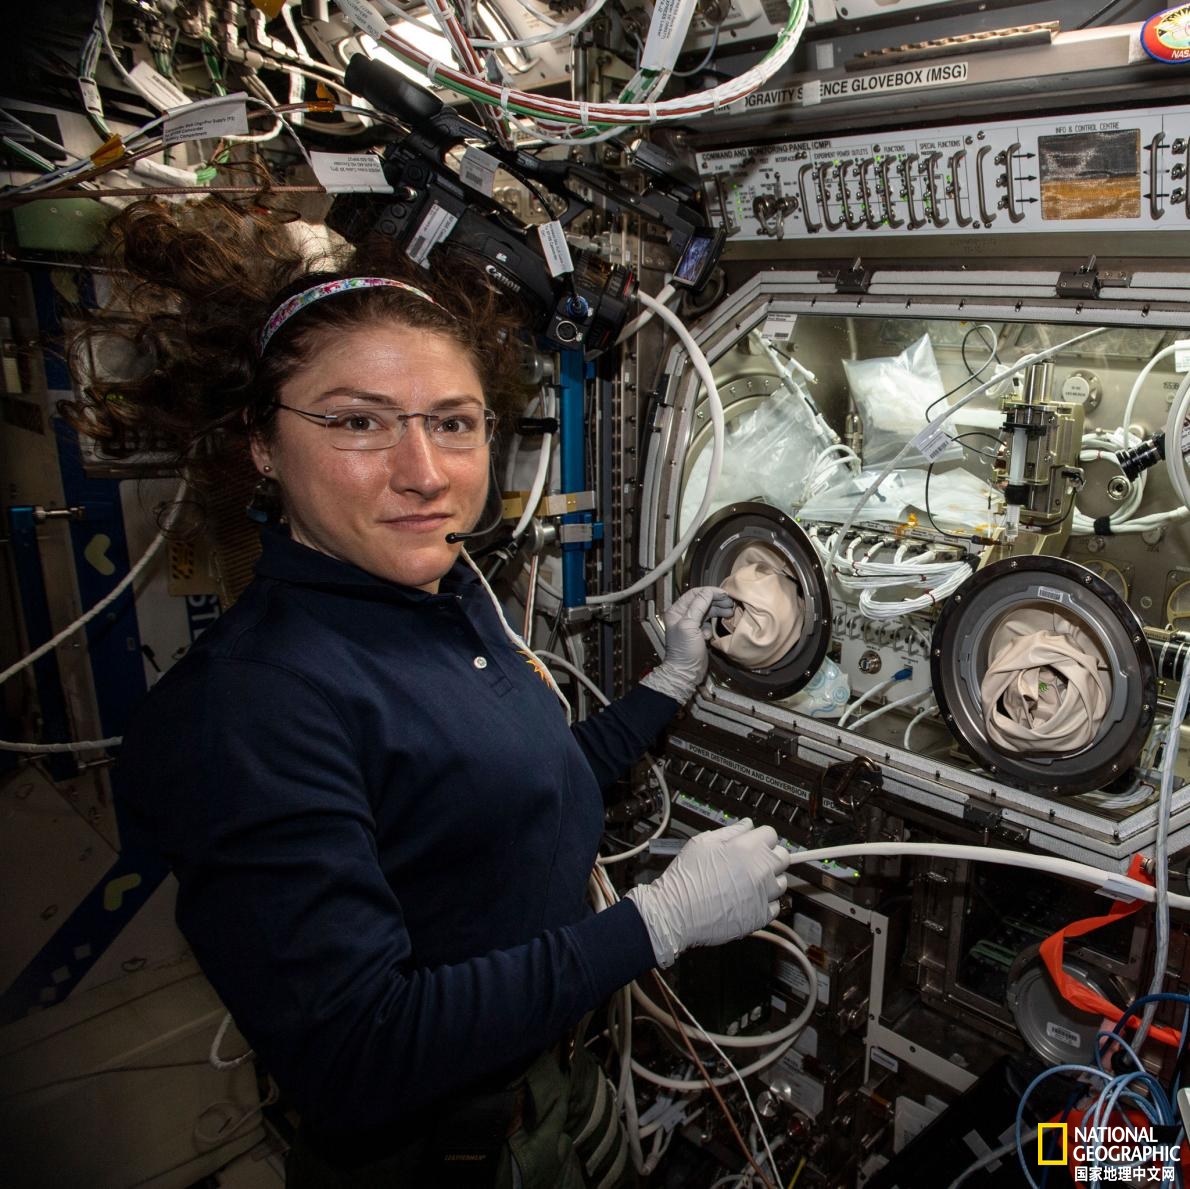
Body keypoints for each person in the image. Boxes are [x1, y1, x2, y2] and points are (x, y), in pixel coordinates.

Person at [65, 196, 794, 1189]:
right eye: (358, 421)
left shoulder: (441, 604)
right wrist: (652, 924)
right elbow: (360, 1053)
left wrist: (665, 685)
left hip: (547, 1087)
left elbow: (520, 787)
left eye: (452, 423)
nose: (422, 472)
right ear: (262, 448)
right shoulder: (244, 714)